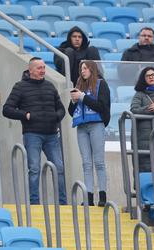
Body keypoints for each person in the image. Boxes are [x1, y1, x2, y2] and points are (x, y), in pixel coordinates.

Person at [3, 57, 67, 205]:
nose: (43, 70)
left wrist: (56, 117)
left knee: (59, 168)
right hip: (32, 134)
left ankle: (63, 203)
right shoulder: (20, 87)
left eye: (44, 67)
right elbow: (7, 109)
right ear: (30, 70)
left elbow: (61, 109)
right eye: (39, 68)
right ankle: (34, 203)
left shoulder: (50, 86)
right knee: (34, 169)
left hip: (52, 134)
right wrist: (25, 115)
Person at [68, 60, 110, 207]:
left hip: (96, 125)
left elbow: (102, 106)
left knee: (99, 162)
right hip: (81, 127)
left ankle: (103, 196)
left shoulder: (101, 84)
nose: (83, 71)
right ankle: (89, 197)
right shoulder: (79, 86)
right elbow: (71, 112)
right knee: (86, 163)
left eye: (85, 68)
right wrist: (73, 101)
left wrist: (83, 97)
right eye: (81, 69)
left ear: (92, 69)